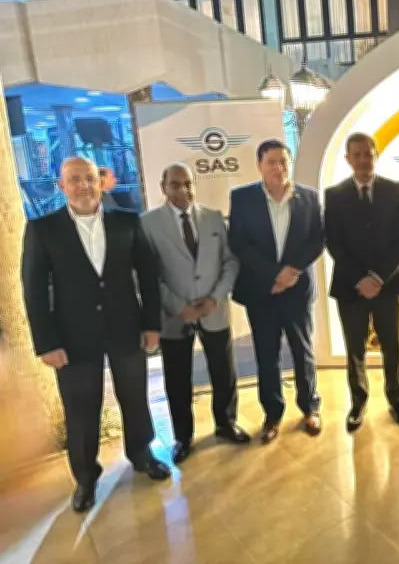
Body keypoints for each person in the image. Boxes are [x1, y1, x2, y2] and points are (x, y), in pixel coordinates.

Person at [21, 156, 169, 514]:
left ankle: (142, 453)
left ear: (101, 182)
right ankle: (86, 477)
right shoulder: (43, 229)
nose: (83, 185)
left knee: (134, 396)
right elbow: (34, 289)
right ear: (62, 186)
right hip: (72, 337)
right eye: (75, 179)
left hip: (126, 327)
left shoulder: (127, 221)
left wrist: (151, 325)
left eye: (89, 178)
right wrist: (47, 343)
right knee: (81, 409)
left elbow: (148, 275)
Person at [141, 163, 250, 464]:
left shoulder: (213, 218)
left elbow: (230, 262)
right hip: (175, 315)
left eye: (188, 183)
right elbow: (148, 275)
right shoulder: (148, 224)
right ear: (163, 187)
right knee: (177, 378)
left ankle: (226, 423)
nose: (183, 190)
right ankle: (182, 437)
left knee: (223, 371)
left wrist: (216, 298)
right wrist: (180, 307)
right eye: (175, 184)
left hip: (214, 309)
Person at [228, 139, 324, 444]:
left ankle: (310, 407)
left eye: (283, 161)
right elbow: (239, 242)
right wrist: (274, 274)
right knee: (266, 355)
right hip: (261, 290)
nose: (278, 167)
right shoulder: (242, 198)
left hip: (297, 288)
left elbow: (317, 239)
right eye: (271, 162)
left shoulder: (309, 197)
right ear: (259, 165)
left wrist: (292, 270)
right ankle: (272, 413)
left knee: (303, 352)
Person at [324, 133, 399, 432]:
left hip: (388, 284)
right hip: (351, 287)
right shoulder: (334, 195)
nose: (363, 160)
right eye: (357, 155)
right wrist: (360, 279)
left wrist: (377, 277)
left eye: (368, 154)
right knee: (355, 348)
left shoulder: (395, 189)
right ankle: (358, 402)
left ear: (376, 155)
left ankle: (397, 399)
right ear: (348, 159)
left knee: (392, 346)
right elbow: (334, 242)